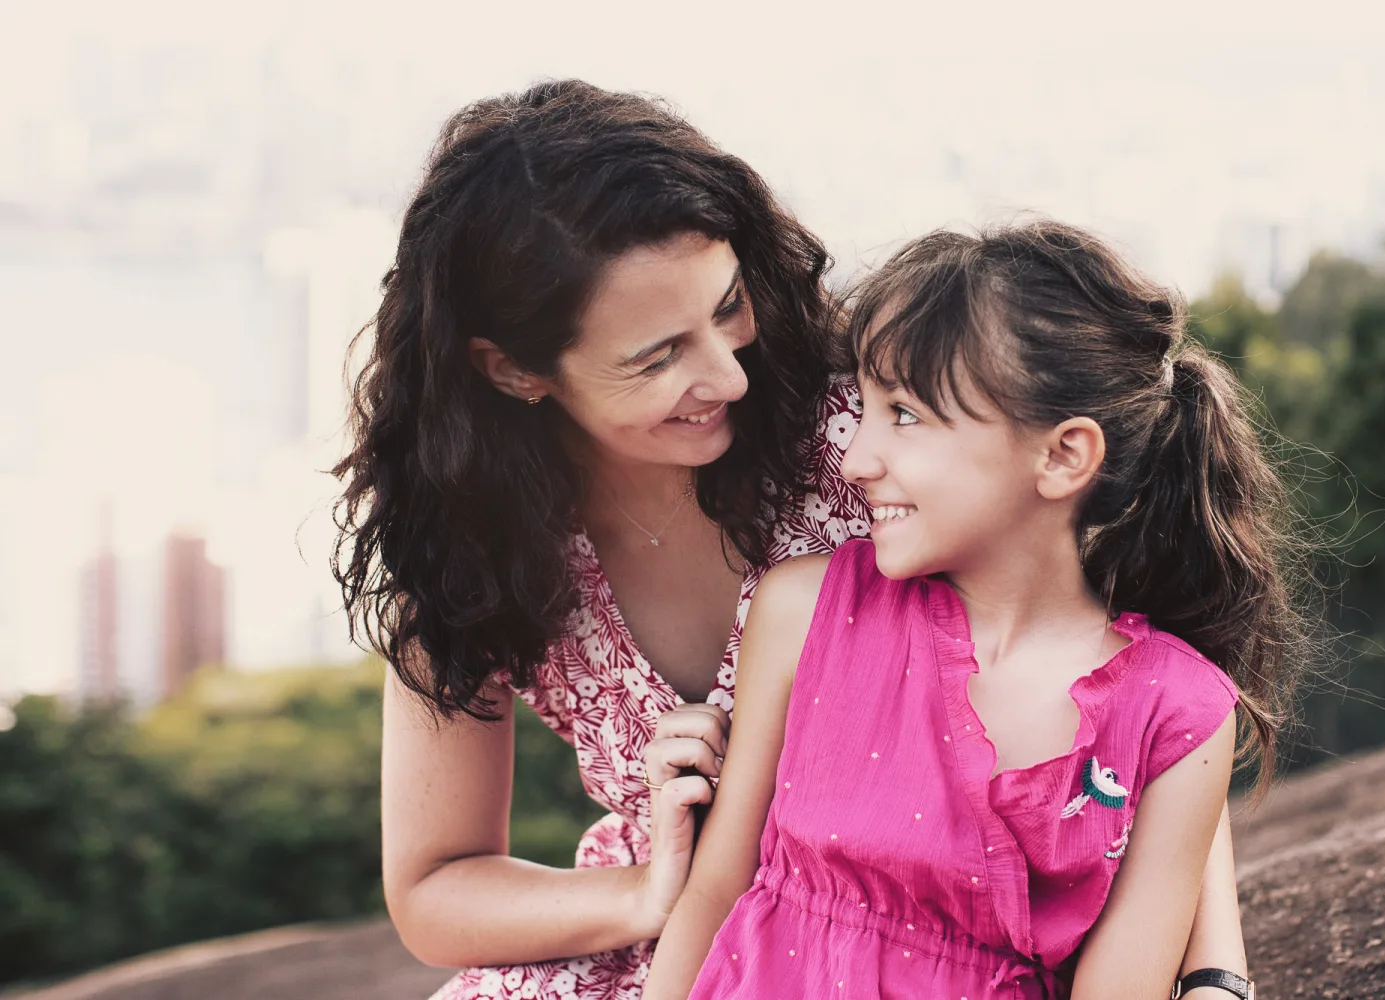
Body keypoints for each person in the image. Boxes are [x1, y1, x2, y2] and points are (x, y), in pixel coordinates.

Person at [334, 81, 1249, 1000]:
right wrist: (645, 895)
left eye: (728, 306)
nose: (728, 374)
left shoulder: (871, 431)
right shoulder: (468, 551)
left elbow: (1124, 683)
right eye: (657, 358)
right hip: (677, 948)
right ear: (517, 369)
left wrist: (1215, 972)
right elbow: (433, 888)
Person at [644, 223, 1307, 1000]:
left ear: (1062, 456)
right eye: (865, 407)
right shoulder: (804, 608)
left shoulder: (1177, 712)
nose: (857, 458)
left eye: (906, 415)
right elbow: (716, 890)